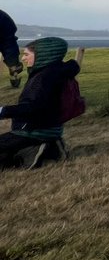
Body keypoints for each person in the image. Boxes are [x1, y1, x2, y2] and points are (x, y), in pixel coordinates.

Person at [0, 36, 79, 169]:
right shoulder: (57, 71)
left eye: (26, 54)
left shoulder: (43, 78)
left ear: (43, 55)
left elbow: (32, 108)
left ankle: (37, 152)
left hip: (34, 131)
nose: (23, 59)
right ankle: (50, 147)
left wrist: (3, 111)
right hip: (50, 130)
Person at [0, 10, 20, 87]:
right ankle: (15, 76)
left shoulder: (3, 17)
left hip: (7, 38)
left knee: (12, 60)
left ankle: (15, 77)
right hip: (7, 39)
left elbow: (9, 43)